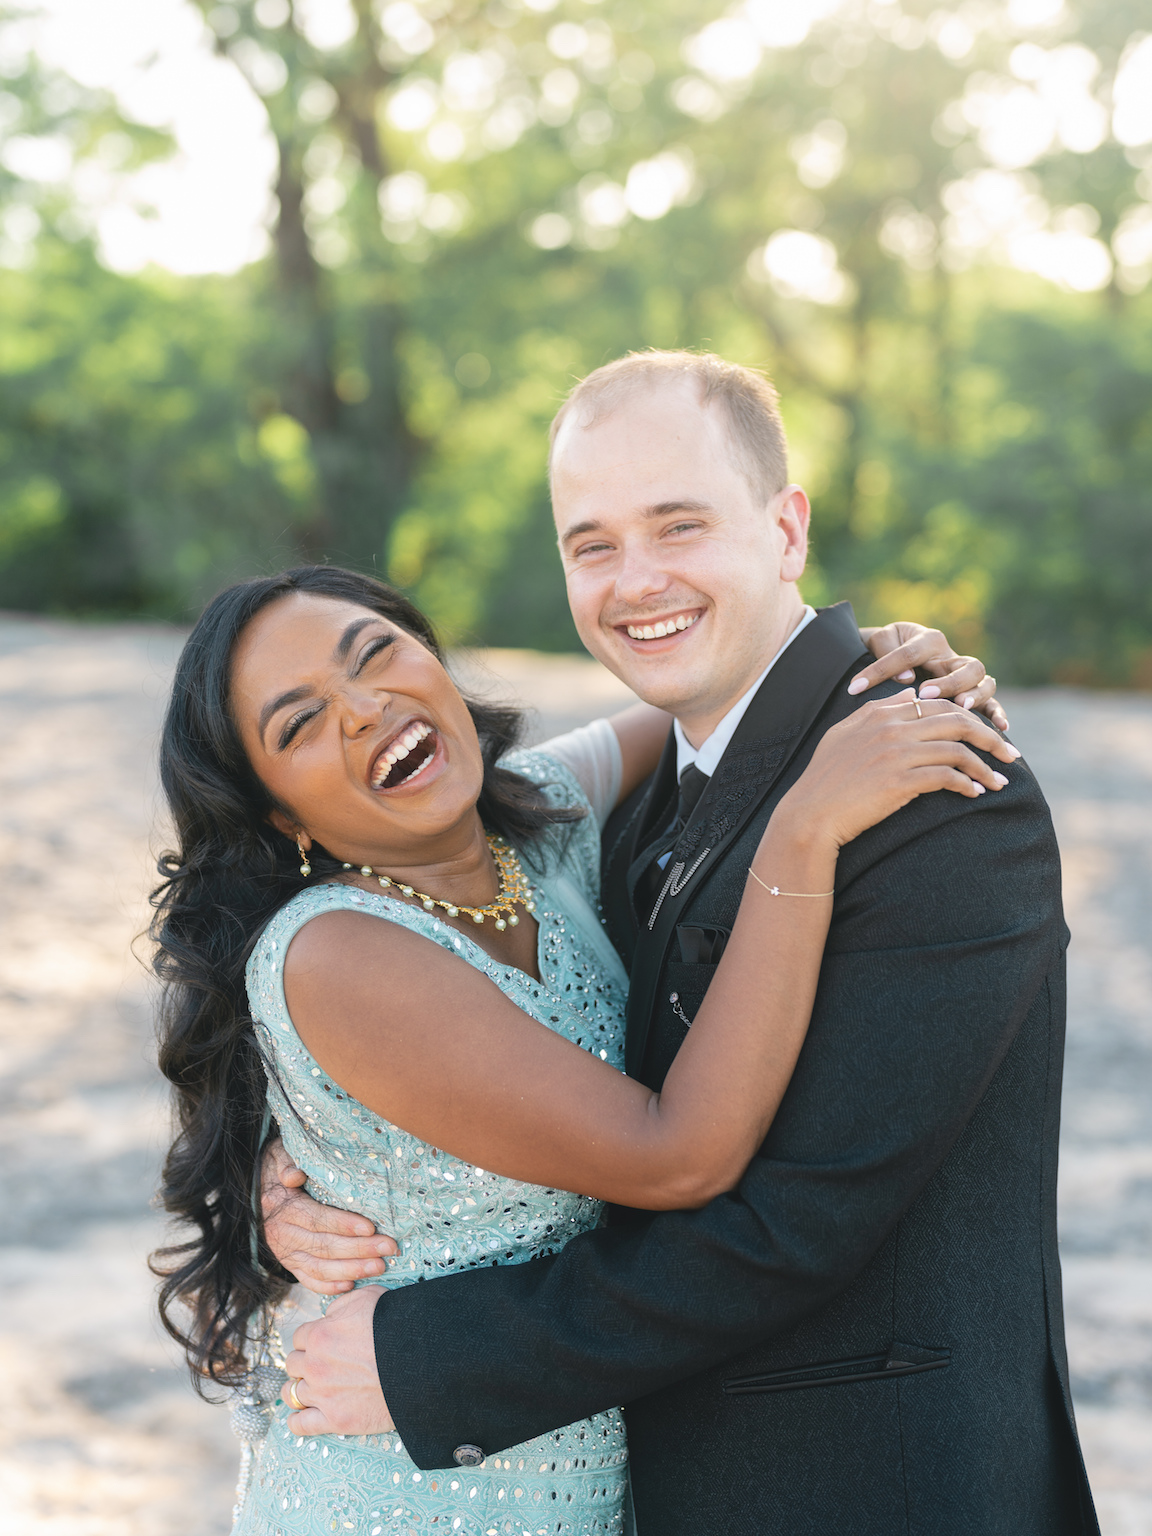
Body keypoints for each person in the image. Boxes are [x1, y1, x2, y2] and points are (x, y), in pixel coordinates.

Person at [263, 352, 1099, 1536]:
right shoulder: (626, 807)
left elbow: (796, 1218)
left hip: (875, 1492)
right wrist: (288, 1168)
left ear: (786, 529)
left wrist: (432, 1360)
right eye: (591, 543)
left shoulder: (935, 791)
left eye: (679, 525)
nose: (634, 580)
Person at [151, 556, 1014, 1536]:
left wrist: (861, 658)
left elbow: (714, 704)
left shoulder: (535, 820)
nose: (362, 708)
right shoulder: (338, 952)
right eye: (299, 723)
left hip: (580, 1465)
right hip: (405, 1492)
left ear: (431, 660)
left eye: (376, 653)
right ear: (280, 814)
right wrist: (803, 830)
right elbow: (676, 1155)